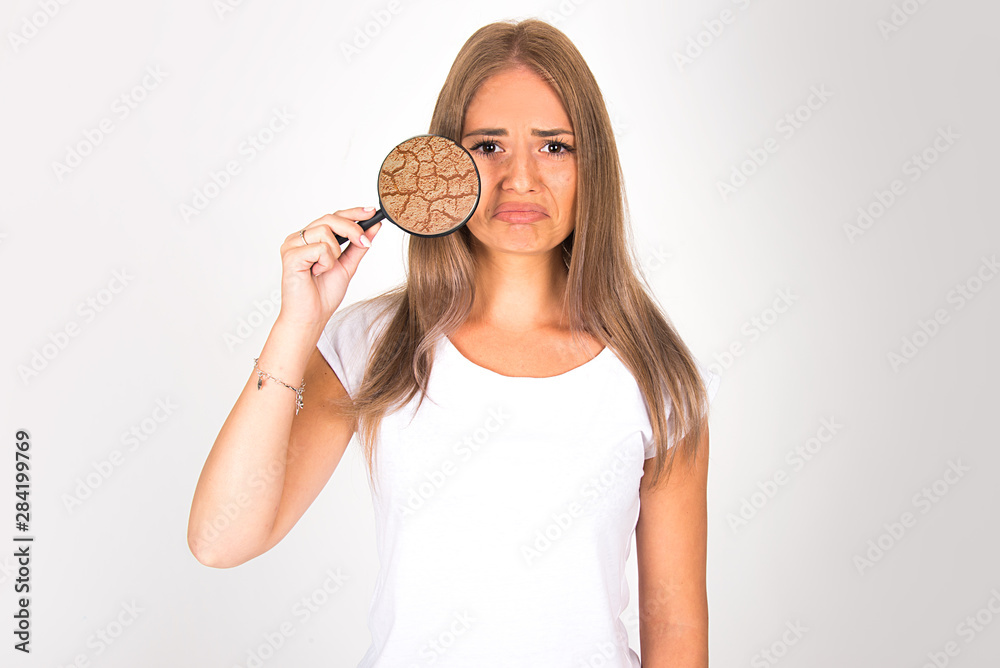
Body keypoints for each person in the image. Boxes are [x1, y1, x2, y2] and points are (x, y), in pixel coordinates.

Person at [188, 18, 720, 668]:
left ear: (593, 166)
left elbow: (676, 627)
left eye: (554, 147)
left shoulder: (654, 376)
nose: (520, 178)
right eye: (489, 146)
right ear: (446, 164)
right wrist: (297, 325)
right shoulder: (374, 345)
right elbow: (221, 539)